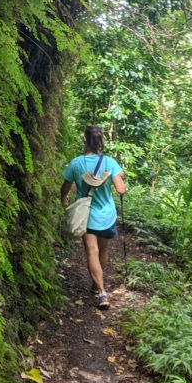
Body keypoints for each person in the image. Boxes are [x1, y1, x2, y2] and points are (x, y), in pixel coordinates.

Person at [61, 126, 126, 309]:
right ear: (100, 141)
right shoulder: (109, 162)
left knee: (91, 251)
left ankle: (101, 292)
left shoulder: (76, 163)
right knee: (103, 251)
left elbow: (66, 185)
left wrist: (63, 198)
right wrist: (120, 181)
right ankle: (97, 284)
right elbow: (121, 189)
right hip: (106, 215)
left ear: (85, 140)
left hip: (86, 214)